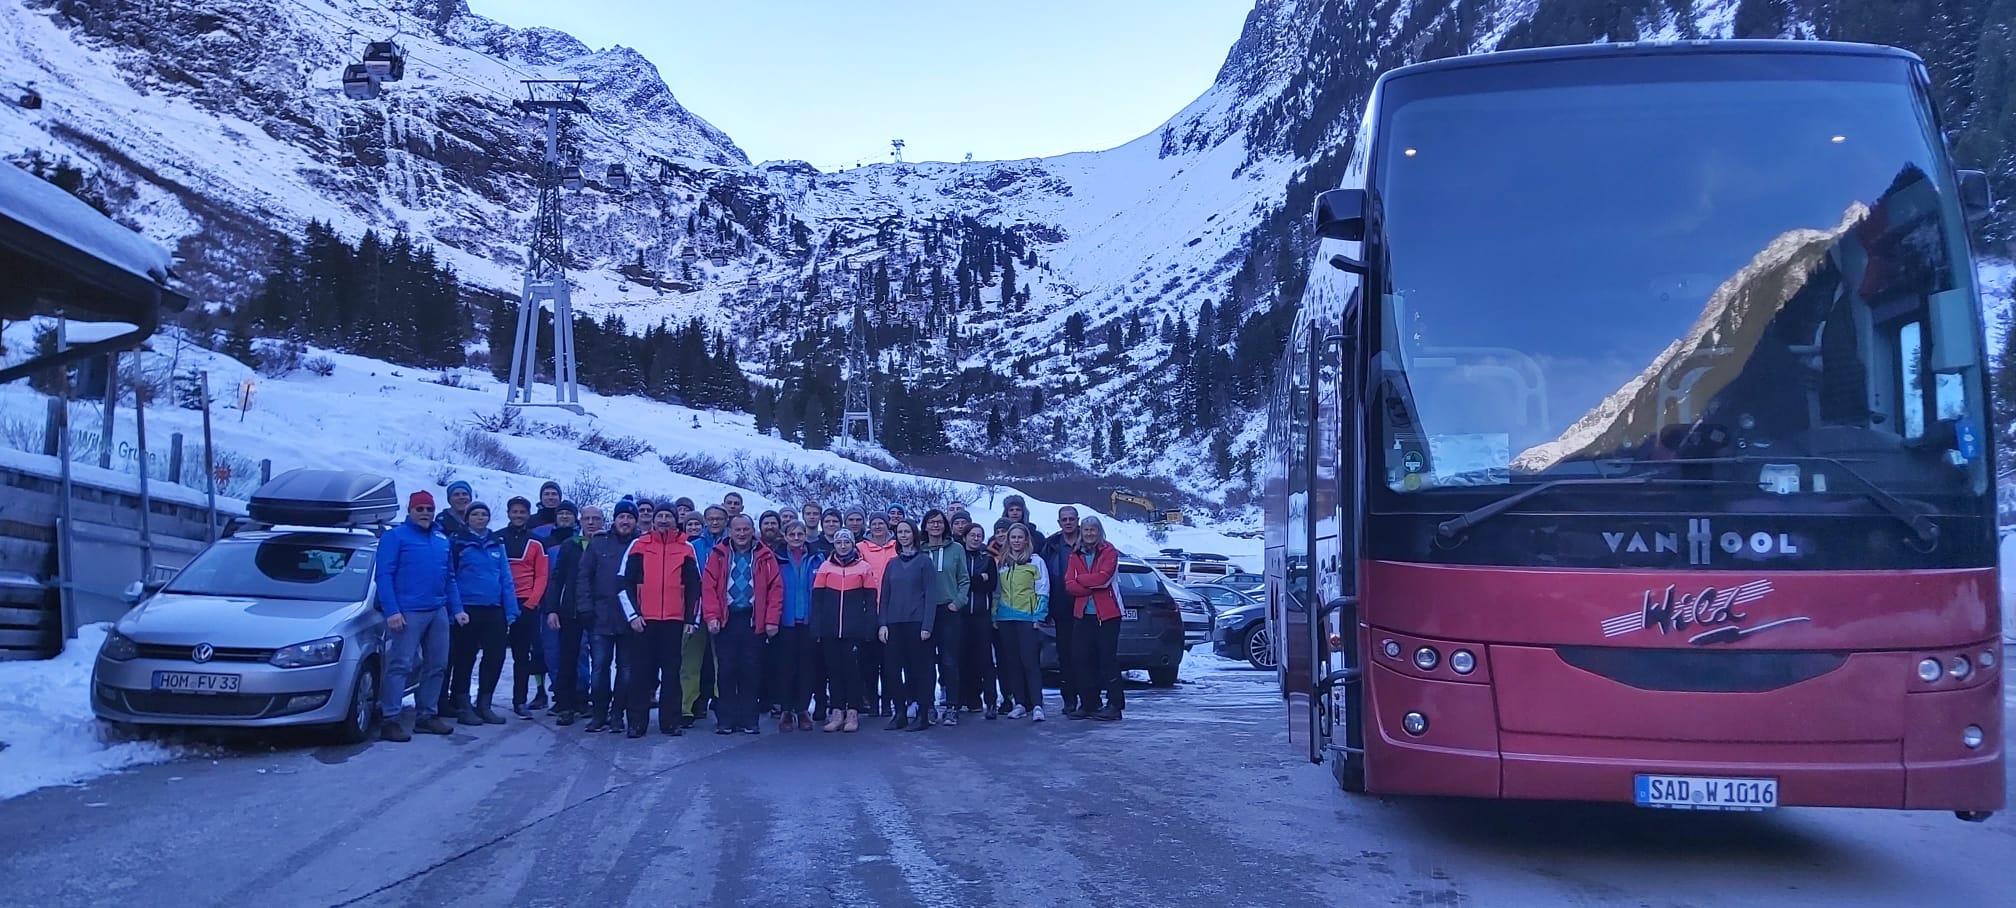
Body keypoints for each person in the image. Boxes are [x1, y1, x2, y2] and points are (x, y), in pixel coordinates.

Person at [375, 491, 466, 741]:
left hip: (438, 610)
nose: (425, 513)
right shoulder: (395, 537)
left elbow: (449, 577)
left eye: (429, 509)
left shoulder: (440, 539)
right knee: (400, 664)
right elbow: (384, 575)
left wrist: (456, 608)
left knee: (437, 664)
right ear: (410, 511)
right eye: (420, 509)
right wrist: (392, 610)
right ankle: (390, 718)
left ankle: (426, 715)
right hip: (407, 611)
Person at [620, 501, 702, 738]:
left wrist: (691, 619)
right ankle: (636, 722)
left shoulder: (686, 548)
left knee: (672, 673)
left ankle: (670, 722)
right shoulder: (639, 545)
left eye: (669, 516)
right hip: (644, 621)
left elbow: (694, 587)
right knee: (641, 674)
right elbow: (623, 583)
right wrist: (633, 615)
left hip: (674, 621)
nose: (664, 520)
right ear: (654, 520)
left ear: (676, 520)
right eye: (660, 516)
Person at [701, 514, 782, 734]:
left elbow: (776, 589)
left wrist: (771, 620)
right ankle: (726, 720)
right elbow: (708, 587)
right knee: (726, 671)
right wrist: (712, 616)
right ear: (730, 531)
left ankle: (749, 719)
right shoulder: (718, 555)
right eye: (737, 530)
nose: (742, 534)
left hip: (753, 620)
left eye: (746, 529)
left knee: (751, 670)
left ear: (752, 530)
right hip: (726, 620)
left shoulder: (765, 555)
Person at [445, 502, 518, 726]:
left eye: (484, 514)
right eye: (475, 514)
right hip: (467, 610)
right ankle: (462, 703)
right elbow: (451, 577)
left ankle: (484, 704)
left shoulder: (496, 543)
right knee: (464, 658)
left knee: (495, 656)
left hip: (494, 608)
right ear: (467, 518)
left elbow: (505, 577)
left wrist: (511, 609)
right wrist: (456, 609)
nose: (480, 518)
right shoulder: (457, 543)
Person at [579, 499, 642, 733]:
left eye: (630, 517)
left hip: (630, 618)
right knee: (600, 668)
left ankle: (618, 714)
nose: (625, 521)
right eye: (621, 517)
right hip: (600, 616)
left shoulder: (641, 544)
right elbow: (583, 576)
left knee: (626, 669)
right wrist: (584, 607)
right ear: (614, 519)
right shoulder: (598, 543)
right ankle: (598, 714)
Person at [811, 529, 877, 732]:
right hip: (830, 630)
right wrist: (817, 628)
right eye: (839, 543)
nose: (842, 546)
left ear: (852, 544)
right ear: (834, 545)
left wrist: (869, 627)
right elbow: (818, 602)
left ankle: (853, 712)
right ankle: (837, 711)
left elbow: (871, 601)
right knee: (834, 671)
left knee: (852, 672)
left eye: (846, 542)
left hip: (853, 630)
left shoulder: (864, 567)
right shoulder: (825, 567)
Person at [878, 518, 937, 731]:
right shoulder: (892, 564)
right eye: (900, 532)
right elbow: (884, 596)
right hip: (894, 624)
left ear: (914, 534)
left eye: (907, 532)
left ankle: (922, 714)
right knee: (892, 671)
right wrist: (882, 623)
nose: (903, 535)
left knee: (920, 671)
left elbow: (931, 595)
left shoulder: (924, 562)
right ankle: (900, 713)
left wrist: (927, 626)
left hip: (917, 623)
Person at [1064, 516, 1124, 721]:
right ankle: (1089, 702)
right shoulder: (1075, 555)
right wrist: (1088, 582)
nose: (1089, 534)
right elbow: (1069, 584)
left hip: (1107, 615)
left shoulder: (1109, 552)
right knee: (1081, 660)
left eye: (1093, 530)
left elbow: (1104, 578)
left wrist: (1081, 579)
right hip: (1083, 614)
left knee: (1107, 660)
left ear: (1099, 532)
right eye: (1086, 530)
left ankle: (1115, 705)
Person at [545, 505, 599, 725]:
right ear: (581, 522)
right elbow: (557, 579)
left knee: (600, 661)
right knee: (568, 658)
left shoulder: (607, 543)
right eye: (587, 519)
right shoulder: (570, 545)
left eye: (596, 519)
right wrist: (552, 609)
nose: (591, 523)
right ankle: (565, 705)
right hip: (571, 610)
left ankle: (593, 702)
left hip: (600, 611)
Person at [918, 510, 970, 726]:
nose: (936, 526)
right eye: (931, 522)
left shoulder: (956, 549)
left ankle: (951, 706)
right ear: (925, 526)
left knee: (949, 661)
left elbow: (964, 579)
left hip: (948, 611)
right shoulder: (919, 551)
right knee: (926, 662)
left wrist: (957, 602)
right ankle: (928, 706)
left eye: (939, 522)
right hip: (924, 613)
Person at [500, 497, 551, 719]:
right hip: (498, 604)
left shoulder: (537, 542)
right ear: (508, 513)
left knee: (522, 656)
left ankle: (519, 701)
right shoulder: (497, 538)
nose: (518, 515)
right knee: (493, 656)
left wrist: (532, 602)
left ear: (528, 514)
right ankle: (482, 701)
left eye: (522, 512)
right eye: (515, 511)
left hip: (525, 604)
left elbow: (542, 575)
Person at [992, 523, 1049, 721]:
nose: (1016, 541)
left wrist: (1039, 616)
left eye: (1019, 537)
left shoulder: (1036, 561)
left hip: (1027, 618)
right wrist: (994, 616)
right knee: (1012, 663)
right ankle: (1020, 703)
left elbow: (1042, 589)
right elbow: (997, 592)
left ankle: (1037, 705)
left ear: (1026, 540)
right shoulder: (1002, 563)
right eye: (1013, 537)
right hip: (1006, 618)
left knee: (1030, 662)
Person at [773, 520, 822, 731]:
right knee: (785, 668)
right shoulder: (776, 558)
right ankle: (786, 710)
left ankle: (802, 709)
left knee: (807, 668)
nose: (796, 538)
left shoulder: (818, 558)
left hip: (809, 621)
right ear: (784, 536)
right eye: (791, 534)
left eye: (799, 534)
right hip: (785, 621)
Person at [681, 505, 729, 727]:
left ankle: (722, 704)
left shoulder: (732, 545)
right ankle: (686, 707)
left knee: (722, 661)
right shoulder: (693, 546)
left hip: (724, 609)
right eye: (711, 518)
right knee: (691, 661)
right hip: (696, 610)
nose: (715, 522)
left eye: (719, 518)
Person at [1043, 506, 1083, 716]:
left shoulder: (1087, 542)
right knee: (1065, 656)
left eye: (1071, 519)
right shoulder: (1051, 545)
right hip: (1060, 607)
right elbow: (1043, 577)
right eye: (1064, 519)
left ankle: (1088, 699)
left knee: (1085, 655)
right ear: (1059, 522)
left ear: (1078, 520)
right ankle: (1069, 699)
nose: (1068, 522)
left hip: (1086, 607)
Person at [958, 523, 1000, 718]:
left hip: (982, 615)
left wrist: (972, 581)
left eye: (979, 535)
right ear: (965, 537)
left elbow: (990, 584)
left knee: (985, 660)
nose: (976, 538)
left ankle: (991, 702)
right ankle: (966, 699)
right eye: (972, 535)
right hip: (961, 614)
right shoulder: (959, 557)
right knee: (962, 657)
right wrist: (976, 579)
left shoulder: (988, 560)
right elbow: (959, 583)